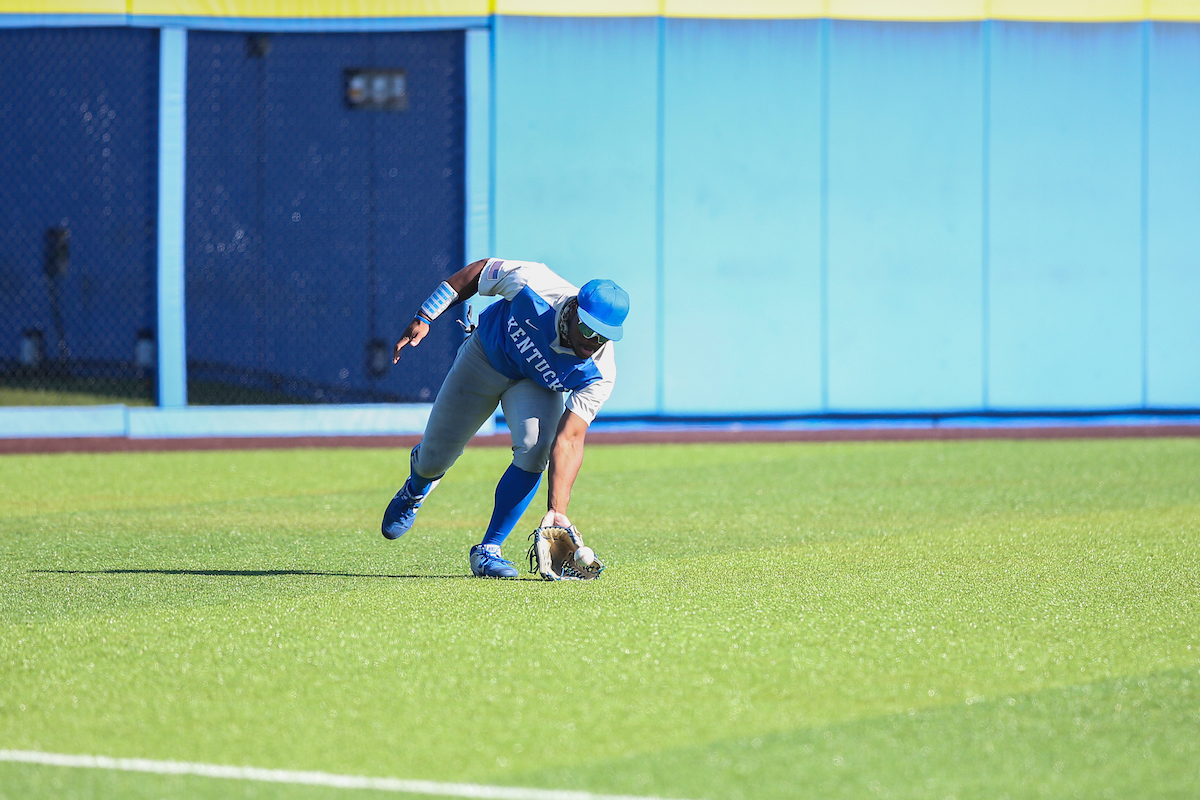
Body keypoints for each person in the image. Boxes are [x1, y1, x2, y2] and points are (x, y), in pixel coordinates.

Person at [381, 257, 628, 578]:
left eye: (603, 335)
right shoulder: (534, 284)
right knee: (433, 459)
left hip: (535, 386)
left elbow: (569, 440)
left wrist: (557, 510)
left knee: (536, 449)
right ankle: (417, 486)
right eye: (587, 328)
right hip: (486, 356)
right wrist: (426, 314)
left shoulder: (600, 371)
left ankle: (489, 549)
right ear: (572, 310)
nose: (591, 342)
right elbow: (476, 273)